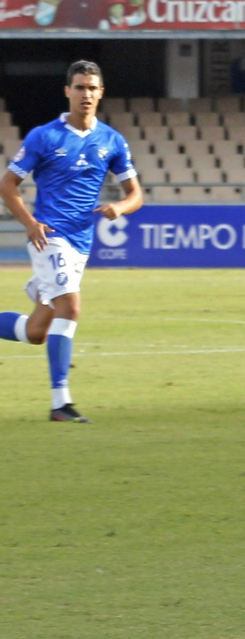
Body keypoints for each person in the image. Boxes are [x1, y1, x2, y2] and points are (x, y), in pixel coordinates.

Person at [0, 60, 142, 424]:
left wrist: (119, 207)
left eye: (92, 88)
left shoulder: (112, 140)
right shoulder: (44, 136)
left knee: (36, 331)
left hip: (81, 243)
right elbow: (8, 184)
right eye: (79, 87)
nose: (86, 94)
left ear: (101, 93)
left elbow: (135, 194)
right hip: (49, 237)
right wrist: (30, 223)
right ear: (67, 91)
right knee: (71, 308)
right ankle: (60, 403)